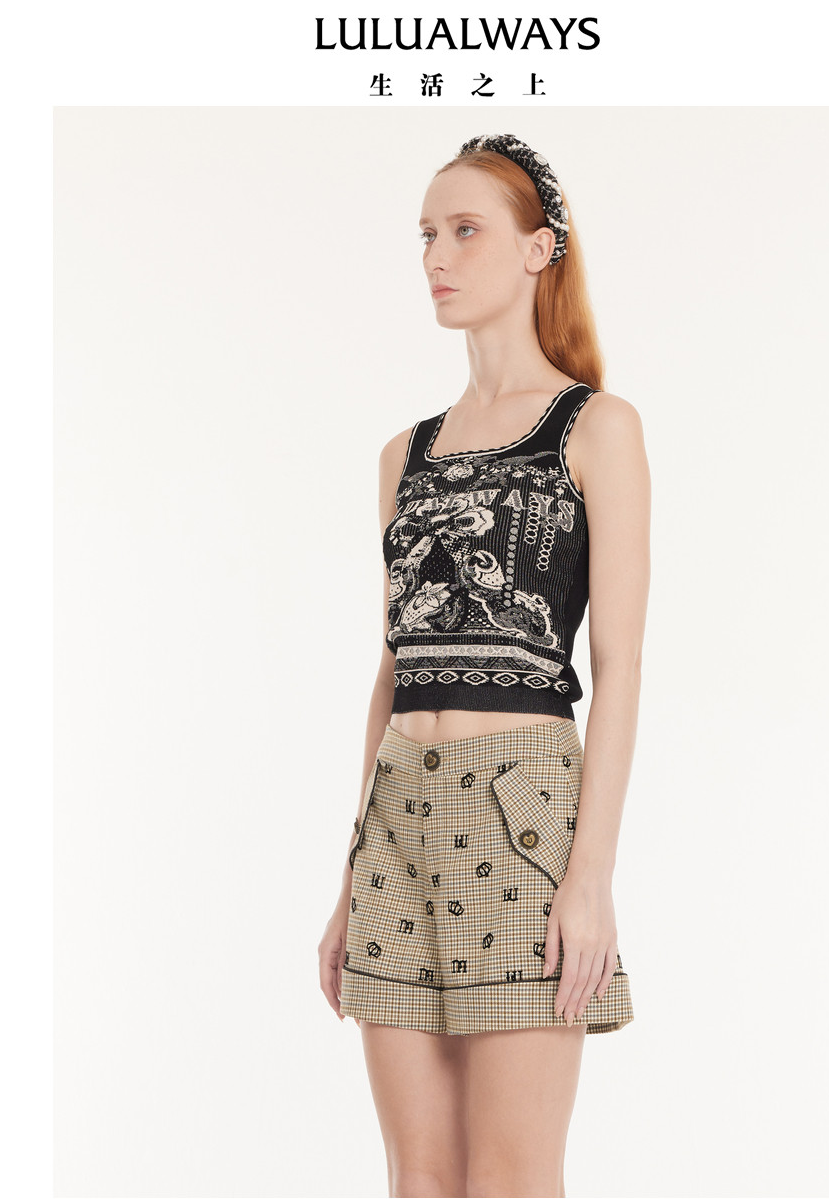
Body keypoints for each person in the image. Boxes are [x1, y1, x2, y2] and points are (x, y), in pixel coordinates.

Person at [317, 133, 650, 1198]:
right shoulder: (404, 455)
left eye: (465, 231)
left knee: (509, 1177)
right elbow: (392, 670)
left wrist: (590, 876)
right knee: (418, 1179)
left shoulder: (596, 429)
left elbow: (621, 663)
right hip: (396, 821)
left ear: (539, 249)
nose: (436, 258)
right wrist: (350, 876)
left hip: (521, 812)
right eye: (426, 234)